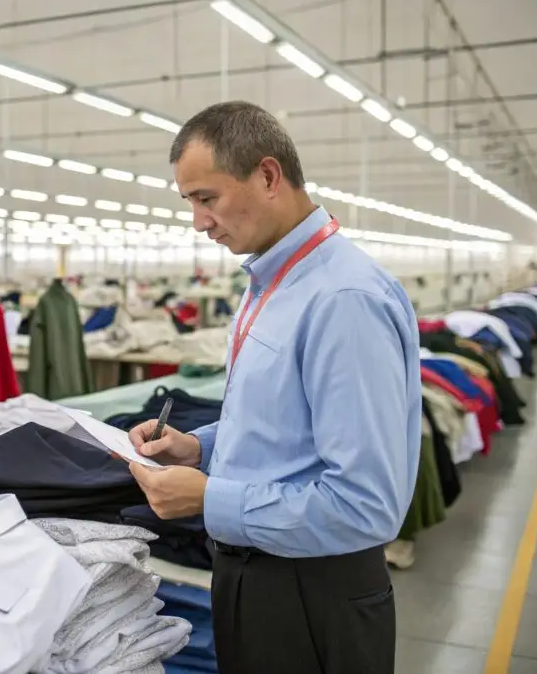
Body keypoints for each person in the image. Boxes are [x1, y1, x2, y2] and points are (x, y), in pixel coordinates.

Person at [125, 101, 421, 674]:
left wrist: (208, 497)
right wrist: (201, 447)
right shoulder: (269, 280)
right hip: (253, 574)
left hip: (312, 591)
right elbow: (283, 418)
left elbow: (366, 506)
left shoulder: (343, 301)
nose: (198, 221)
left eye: (206, 199)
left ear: (266, 176)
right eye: (189, 202)